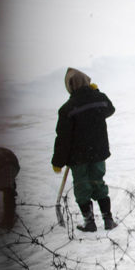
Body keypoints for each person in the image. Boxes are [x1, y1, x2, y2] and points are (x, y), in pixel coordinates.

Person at [51, 67, 116, 232]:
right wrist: (97, 91)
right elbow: (110, 109)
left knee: (82, 186)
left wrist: (58, 162)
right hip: (98, 152)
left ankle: (89, 223)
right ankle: (108, 220)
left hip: (78, 157)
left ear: (70, 86)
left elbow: (63, 138)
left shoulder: (67, 109)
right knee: (98, 182)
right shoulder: (99, 99)